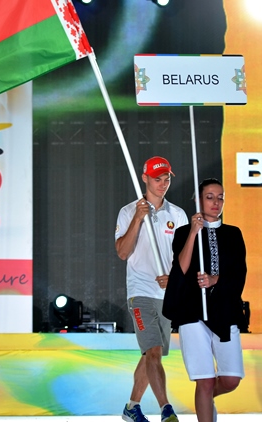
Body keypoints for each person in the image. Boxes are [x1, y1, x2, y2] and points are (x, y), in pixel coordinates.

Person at [163, 178, 247, 422]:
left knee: (231, 379)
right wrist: (193, 232)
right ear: (198, 200)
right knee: (205, 380)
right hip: (192, 313)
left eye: (220, 197)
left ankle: (206, 399)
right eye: (209, 197)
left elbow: (239, 274)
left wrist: (214, 279)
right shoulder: (183, 233)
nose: (216, 202)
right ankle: (205, 404)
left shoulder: (233, 234)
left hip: (225, 312)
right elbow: (180, 270)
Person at [115, 156, 188, 422]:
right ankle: (166, 409)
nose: (163, 184)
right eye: (158, 179)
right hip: (140, 292)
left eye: (166, 179)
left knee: (150, 354)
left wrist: (175, 278)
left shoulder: (177, 214)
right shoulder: (128, 211)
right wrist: (137, 218)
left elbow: (185, 257)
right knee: (154, 352)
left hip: (167, 295)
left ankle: (131, 407)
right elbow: (122, 252)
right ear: (145, 178)